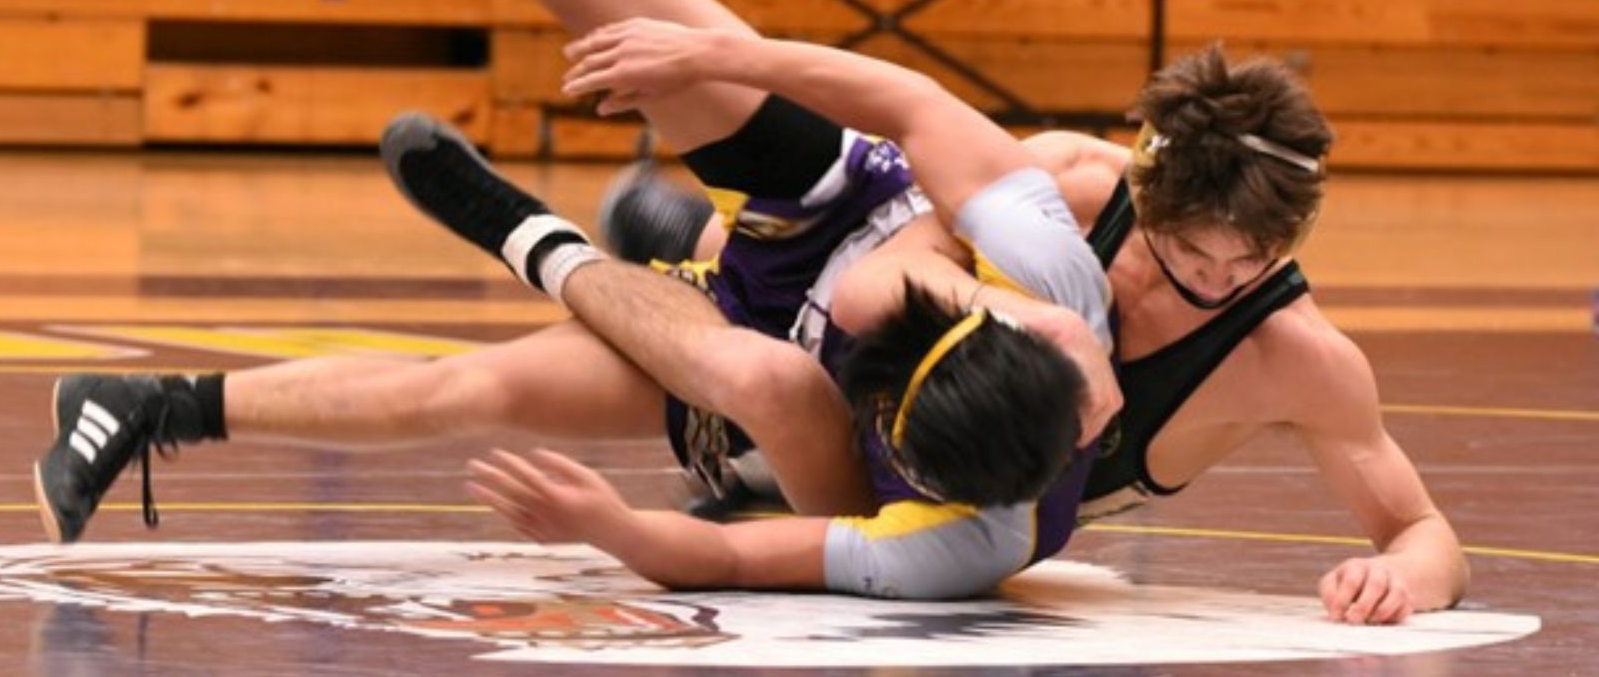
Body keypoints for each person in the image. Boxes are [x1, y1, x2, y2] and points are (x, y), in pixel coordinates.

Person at [30, 0, 1118, 601]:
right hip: (836, 208)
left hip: (763, 375)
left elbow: (741, 563)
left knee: (489, 392)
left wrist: (610, 527)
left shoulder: (953, 543)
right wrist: (718, 59)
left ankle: (148, 404)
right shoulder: (1053, 310)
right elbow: (919, 108)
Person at [570, 34, 1472, 625]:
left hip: (955, 479)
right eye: (1192, 256)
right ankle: (671, 239)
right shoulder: (1073, 185)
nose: (1218, 284)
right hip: (872, 337)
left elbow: (1423, 529)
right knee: (779, 337)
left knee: (838, 506)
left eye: (1251, 263)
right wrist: (1042, 323)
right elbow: (876, 284)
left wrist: (1407, 579)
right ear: (1146, 192)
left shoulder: (1299, 357)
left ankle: (675, 243)